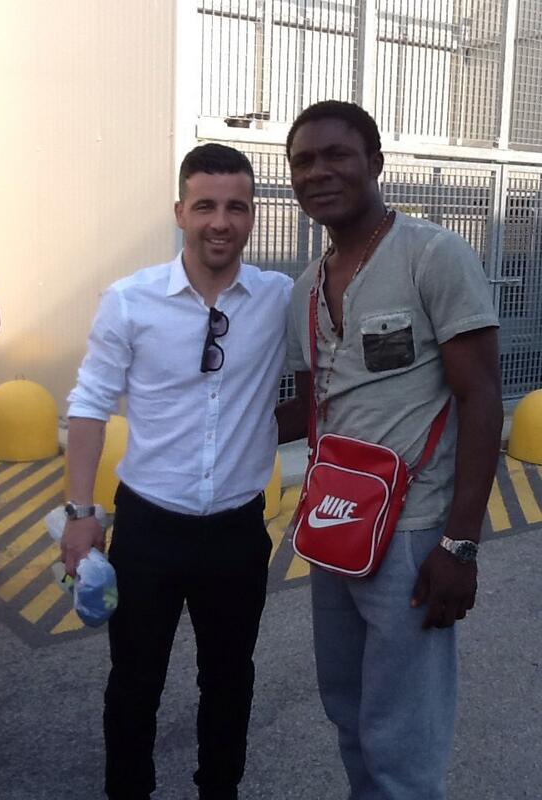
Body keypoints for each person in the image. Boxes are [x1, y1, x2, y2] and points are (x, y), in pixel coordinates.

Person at [276, 101, 503, 800]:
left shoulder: (433, 256)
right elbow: (313, 409)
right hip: (336, 527)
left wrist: (460, 543)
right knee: (348, 711)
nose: (319, 172)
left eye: (336, 155)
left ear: (374, 163)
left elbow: (481, 398)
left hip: (414, 533)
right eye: (303, 161)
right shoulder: (305, 290)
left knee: (403, 736)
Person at [62, 143, 292, 800]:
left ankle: (219, 790)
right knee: (134, 683)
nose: (220, 221)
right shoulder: (130, 300)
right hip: (148, 529)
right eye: (205, 206)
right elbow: (89, 404)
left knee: (229, 679)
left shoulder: (279, 298)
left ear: (252, 215)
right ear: (179, 212)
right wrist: (80, 514)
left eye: (236, 207)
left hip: (237, 531)